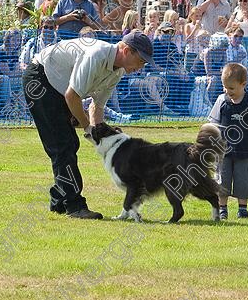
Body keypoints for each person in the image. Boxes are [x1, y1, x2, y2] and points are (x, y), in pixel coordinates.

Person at [22, 31, 153, 219]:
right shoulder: (96, 55)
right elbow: (72, 96)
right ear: (126, 50)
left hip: (59, 87)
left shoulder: (117, 72)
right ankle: (74, 207)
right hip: (40, 80)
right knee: (64, 144)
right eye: (140, 60)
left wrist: (103, 141)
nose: (140, 67)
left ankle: (59, 201)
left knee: (67, 144)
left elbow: (97, 107)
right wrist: (87, 128)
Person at [208, 63, 248, 220]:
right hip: (222, 152)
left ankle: (242, 209)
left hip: (245, 150)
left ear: (243, 84)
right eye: (225, 87)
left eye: (231, 88)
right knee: (222, 180)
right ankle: (222, 208)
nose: (227, 91)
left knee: (243, 180)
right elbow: (213, 124)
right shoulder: (221, 100)